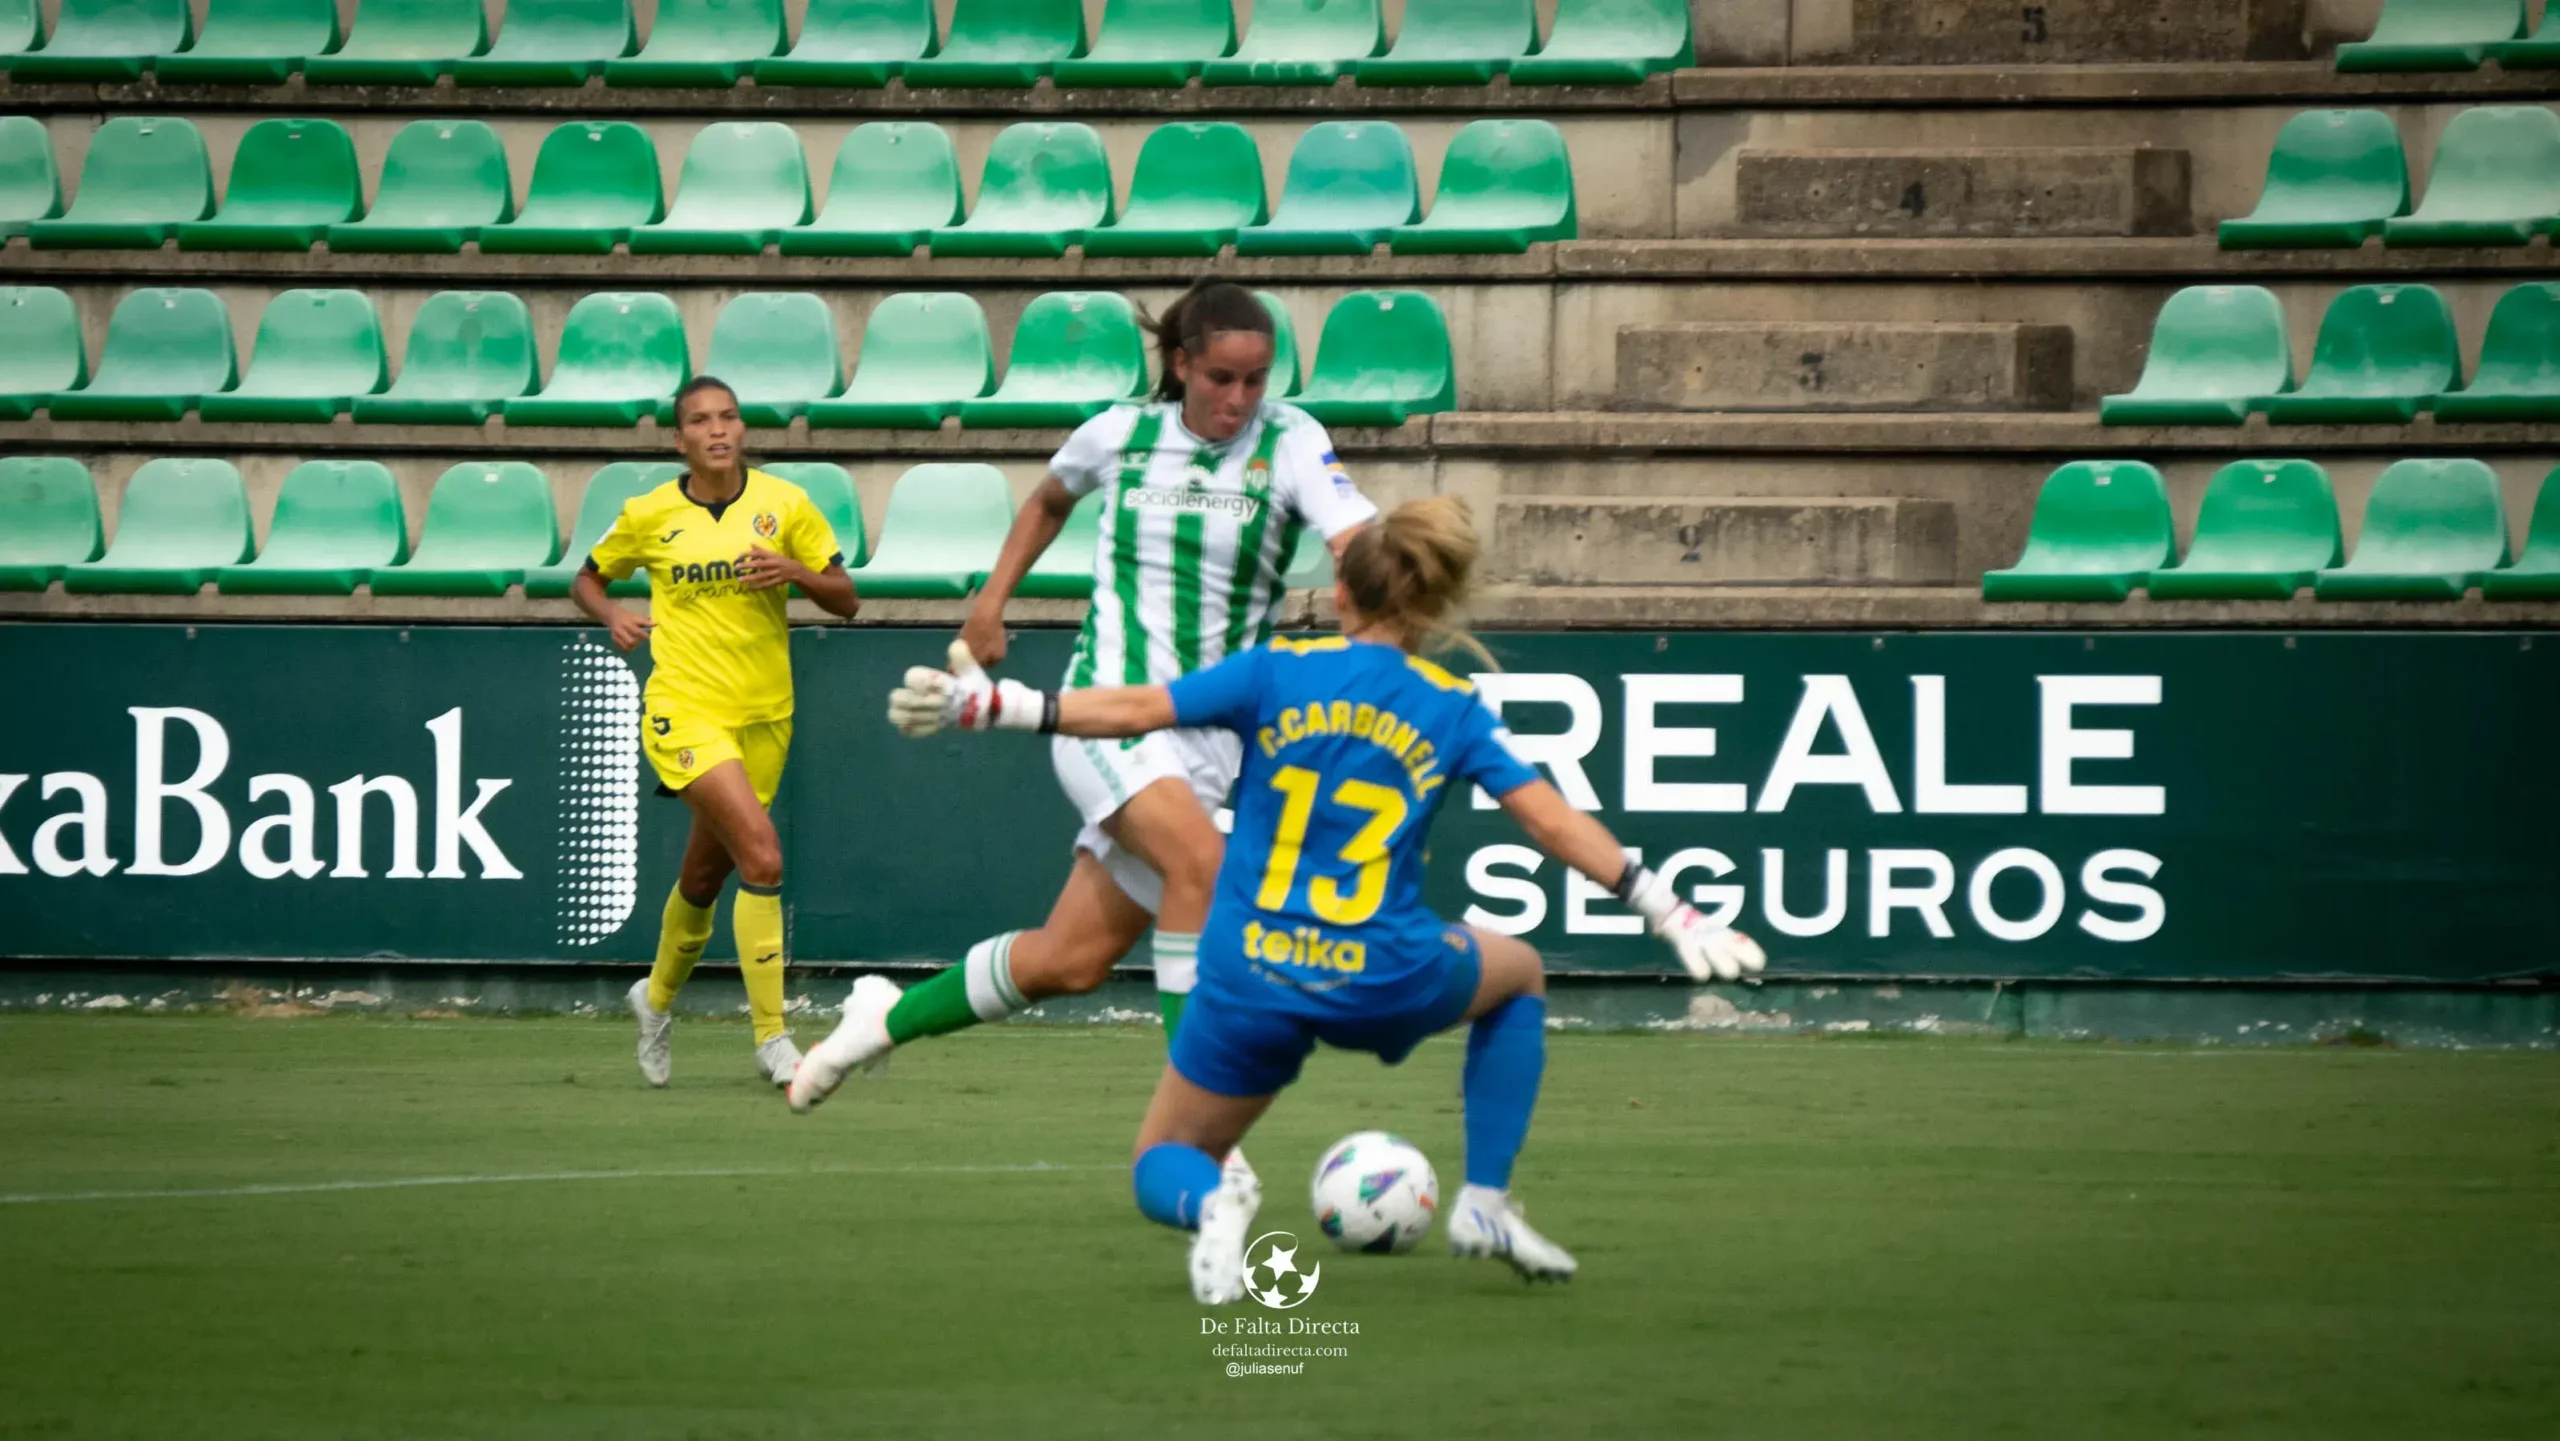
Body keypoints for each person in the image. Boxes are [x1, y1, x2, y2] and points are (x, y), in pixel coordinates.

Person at [841, 496, 1767, 1302]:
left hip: (1252, 973)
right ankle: (1483, 1202)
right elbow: (1550, 820)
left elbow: (1134, 710)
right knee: (1518, 974)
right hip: (1385, 968)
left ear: (1338, 596)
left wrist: (1004, 708)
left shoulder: (1277, 668)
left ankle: (1214, 1206)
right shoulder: (1451, 702)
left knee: (1164, 1159)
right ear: (1428, 605)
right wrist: (1661, 903)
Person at [786, 280, 1378, 1200]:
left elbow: (1355, 534)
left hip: (1214, 742)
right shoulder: (1118, 434)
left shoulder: (1291, 441)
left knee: (1071, 959)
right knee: (1203, 870)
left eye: (1256, 380)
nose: (1240, 398)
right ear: (1180, 365)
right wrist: (989, 604)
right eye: (1222, 378)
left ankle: (883, 1016)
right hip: (1105, 714)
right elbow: (1047, 501)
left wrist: (1367, 582)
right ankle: (1205, 1137)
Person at [572, 375, 860, 1089]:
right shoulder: (648, 514)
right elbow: (585, 579)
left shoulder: (784, 504)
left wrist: (795, 571)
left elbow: (847, 600)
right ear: (680, 439)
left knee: (706, 872)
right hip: (685, 706)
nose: (717, 429)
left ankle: (656, 997)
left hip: (765, 711)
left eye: (728, 416)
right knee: (761, 855)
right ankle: (773, 1039)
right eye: (700, 420)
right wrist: (611, 615)